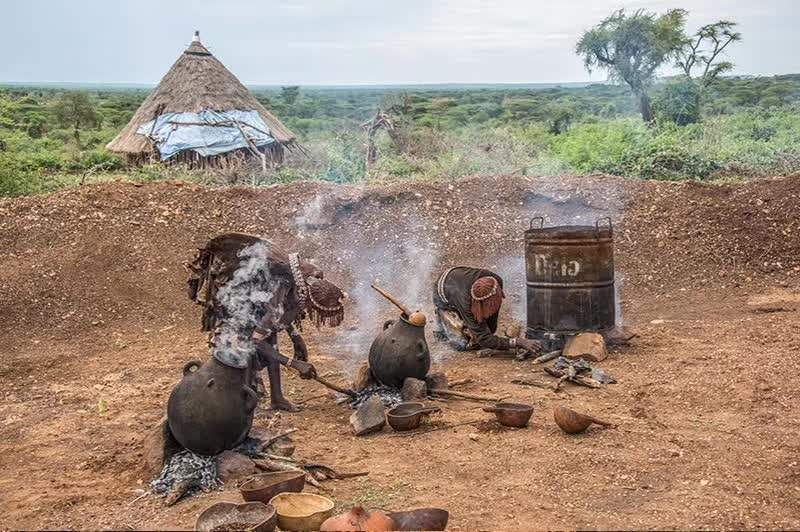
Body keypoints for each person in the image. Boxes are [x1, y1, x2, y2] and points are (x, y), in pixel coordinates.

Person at [186, 233, 347, 412]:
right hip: (238, 291)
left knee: (270, 338)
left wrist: (295, 337)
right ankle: (243, 396)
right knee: (246, 340)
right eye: (316, 312)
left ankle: (277, 398)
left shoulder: (310, 278)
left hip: (259, 293)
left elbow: (282, 315)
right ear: (310, 301)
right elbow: (258, 339)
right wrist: (293, 363)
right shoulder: (280, 292)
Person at [432, 266, 542, 358]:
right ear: (477, 303)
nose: (493, 305)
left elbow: (492, 318)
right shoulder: (467, 305)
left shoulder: (496, 280)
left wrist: (490, 332)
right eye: (487, 305)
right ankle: (442, 319)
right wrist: (518, 342)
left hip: (457, 275)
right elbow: (484, 339)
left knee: (488, 330)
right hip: (443, 294)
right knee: (463, 344)